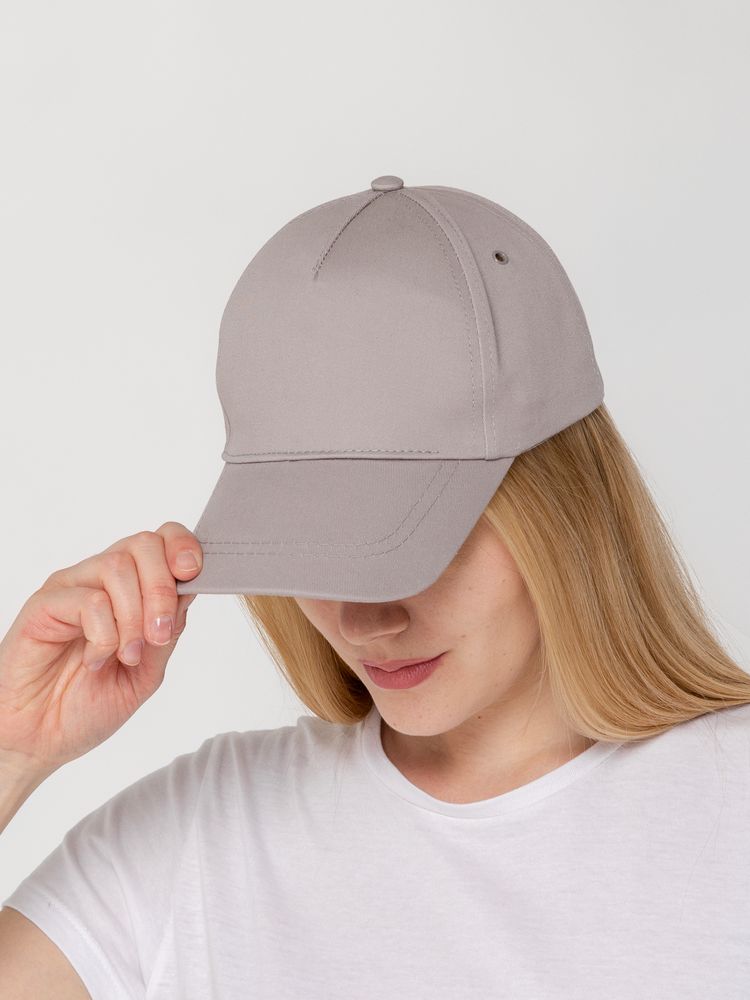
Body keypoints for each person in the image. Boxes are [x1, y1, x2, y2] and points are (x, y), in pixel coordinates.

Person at [2, 176, 750, 998]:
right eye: (317, 548)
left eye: (414, 542)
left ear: (563, 507)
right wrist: (12, 747)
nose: (364, 620)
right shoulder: (203, 837)